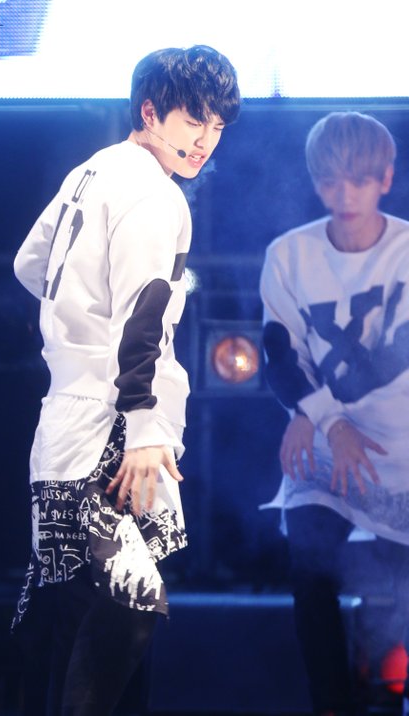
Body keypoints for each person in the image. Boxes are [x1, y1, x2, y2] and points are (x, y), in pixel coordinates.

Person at [11, 45, 240, 716]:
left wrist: (74, 317)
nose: (205, 140)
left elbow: (29, 264)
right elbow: (142, 316)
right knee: (127, 608)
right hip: (113, 424)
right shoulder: (153, 192)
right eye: (193, 120)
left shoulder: (92, 171)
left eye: (217, 125)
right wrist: (143, 428)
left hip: (68, 417)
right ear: (150, 111)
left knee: (80, 618)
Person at [260, 111, 409, 716]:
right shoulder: (288, 255)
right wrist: (322, 420)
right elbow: (278, 355)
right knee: (310, 564)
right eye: (329, 182)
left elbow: (392, 359)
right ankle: (331, 706)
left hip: (400, 444)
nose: (344, 195)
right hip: (325, 438)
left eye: (359, 180)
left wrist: (315, 412)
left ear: (385, 179)